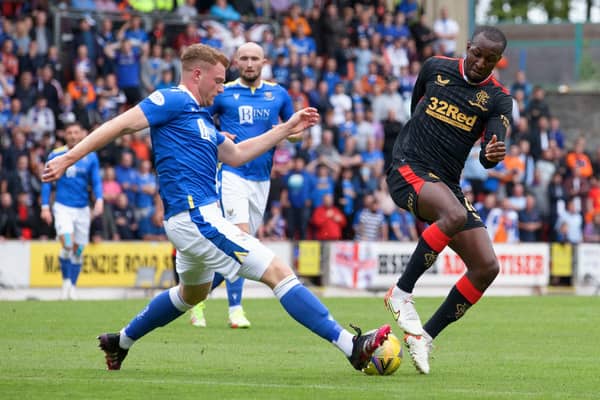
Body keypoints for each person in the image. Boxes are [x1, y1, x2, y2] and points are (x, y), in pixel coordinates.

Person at [42, 44, 390, 371]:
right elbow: (119, 125)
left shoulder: (201, 119)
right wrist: (69, 157)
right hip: (196, 216)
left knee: (191, 293)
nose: (223, 89)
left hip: (194, 219)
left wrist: (283, 130)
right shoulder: (172, 99)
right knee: (278, 272)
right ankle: (352, 347)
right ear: (197, 75)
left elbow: (237, 154)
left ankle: (122, 341)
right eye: (219, 80)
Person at [384, 26, 512, 374]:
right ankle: (400, 292)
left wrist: (492, 154)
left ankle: (424, 336)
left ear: (498, 61)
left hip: (447, 185)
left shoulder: (499, 99)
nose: (480, 63)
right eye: (477, 53)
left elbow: (489, 155)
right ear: (467, 48)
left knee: (487, 266)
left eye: (490, 59)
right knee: (453, 215)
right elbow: (416, 109)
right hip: (409, 167)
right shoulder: (435, 68)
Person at [188, 42, 295, 329]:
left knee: (238, 253)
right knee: (242, 239)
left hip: (262, 179)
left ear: (264, 62)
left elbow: (293, 130)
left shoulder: (278, 94)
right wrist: (215, 133)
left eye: (255, 59)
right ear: (236, 62)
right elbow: (197, 118)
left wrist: (293, 134)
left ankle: (196, 296)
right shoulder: (225, 93)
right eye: (244, 58)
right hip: (232, 173)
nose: (249, 63)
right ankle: (236, 310)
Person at [40, 121, 103, 300]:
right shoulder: (56, 154)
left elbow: (96, 181)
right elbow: (47, 183)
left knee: (79, 250)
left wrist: (99, 199)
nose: (73, 136)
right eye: (70, 133)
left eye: (76, 132)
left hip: (82, 209)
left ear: (82, 133)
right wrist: (45, 207)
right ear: (65, 135)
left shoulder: (90, 156)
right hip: (62, 207)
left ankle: (72, 287)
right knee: (68, 243)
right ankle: (66, 282)